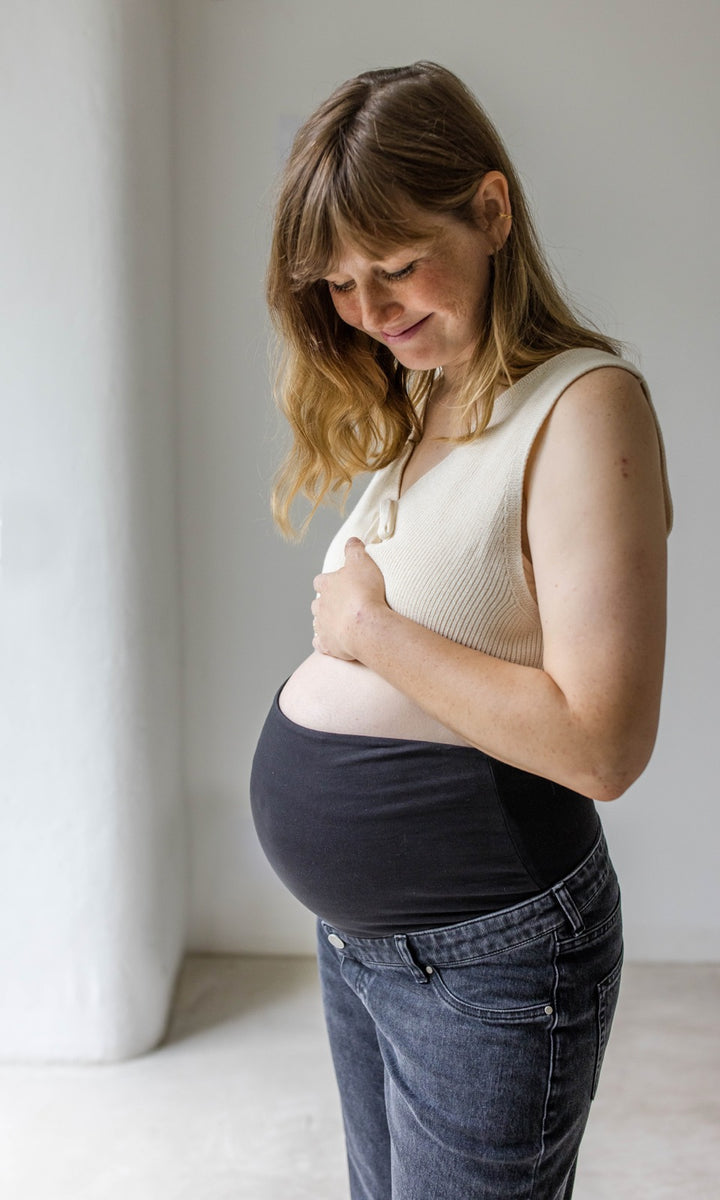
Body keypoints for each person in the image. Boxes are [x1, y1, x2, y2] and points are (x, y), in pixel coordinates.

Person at [250, 61, 672, 1200]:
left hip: (491, 960)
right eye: (341, 283)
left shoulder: (584, 408)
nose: (370, 310)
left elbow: (603, 745)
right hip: (372, 947)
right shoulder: (429, 397)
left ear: (490, 211)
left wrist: (371, 631)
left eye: (396, 266)